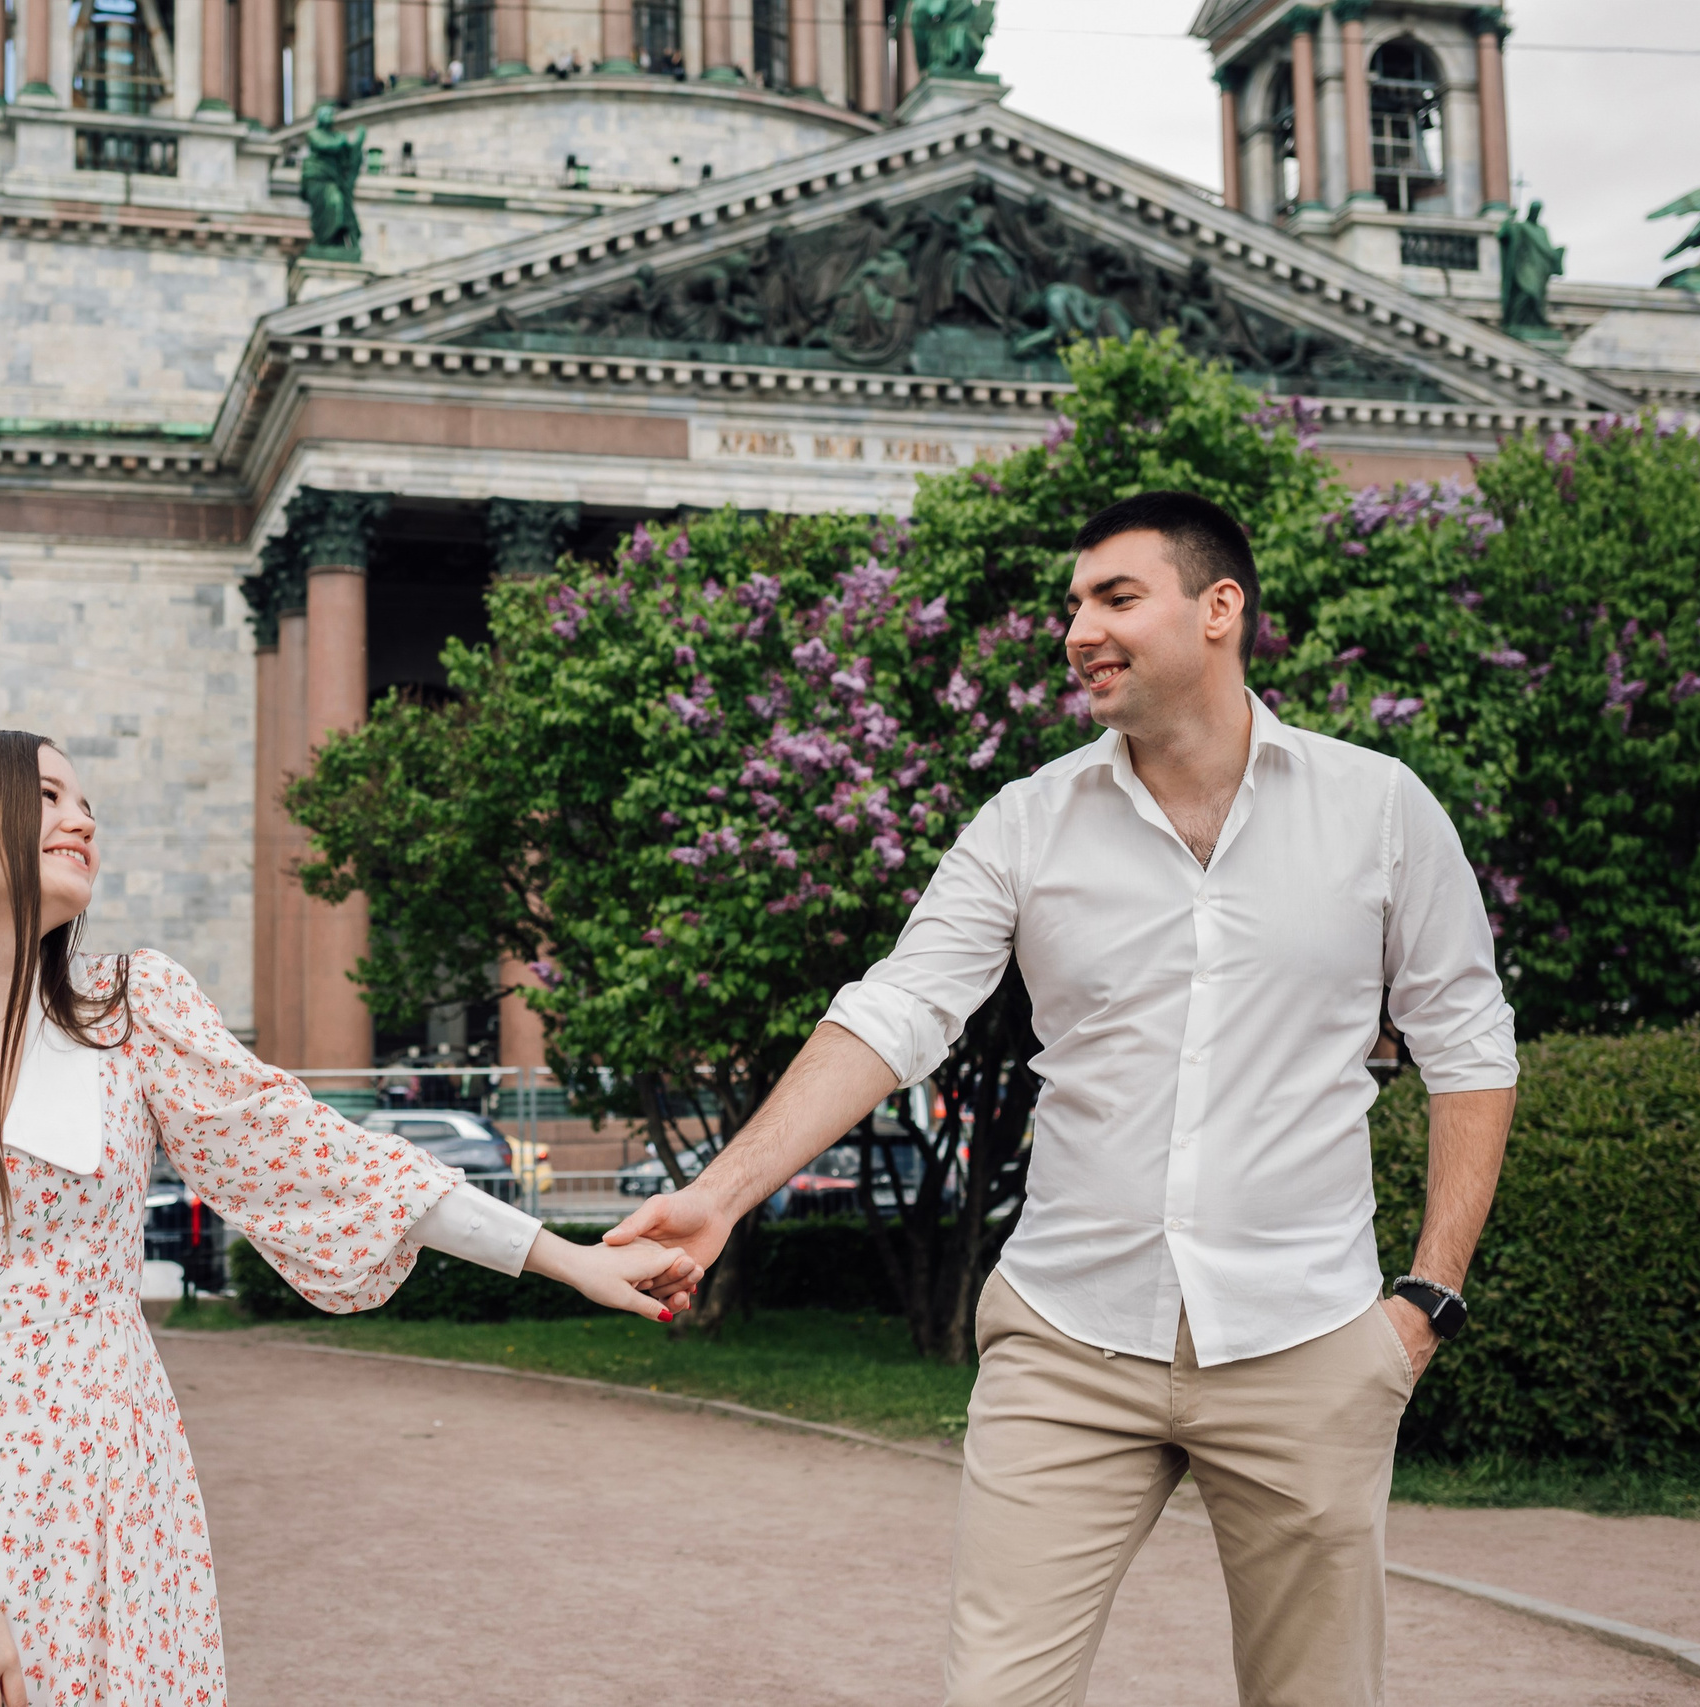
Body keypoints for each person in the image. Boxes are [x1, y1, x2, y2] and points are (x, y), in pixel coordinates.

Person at [613, 491, 1517, 1706]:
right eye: (1072, 604)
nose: (1076, 629)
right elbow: (896, 1012)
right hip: (1066, 1338)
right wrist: (720, 1198)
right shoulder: (1028, 824)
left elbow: (1467, 1046)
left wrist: (1422, 1302)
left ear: (1218, 609)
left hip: (1306, 1340)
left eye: (1114, 597)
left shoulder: (1380, 810)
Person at [0, 731, 697, 1707]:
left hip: (114, 1503)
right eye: (47, 796)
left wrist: (566, 1259)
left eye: (87, 804)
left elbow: (320, 1158)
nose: (81, 820)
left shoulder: (128, 1010)